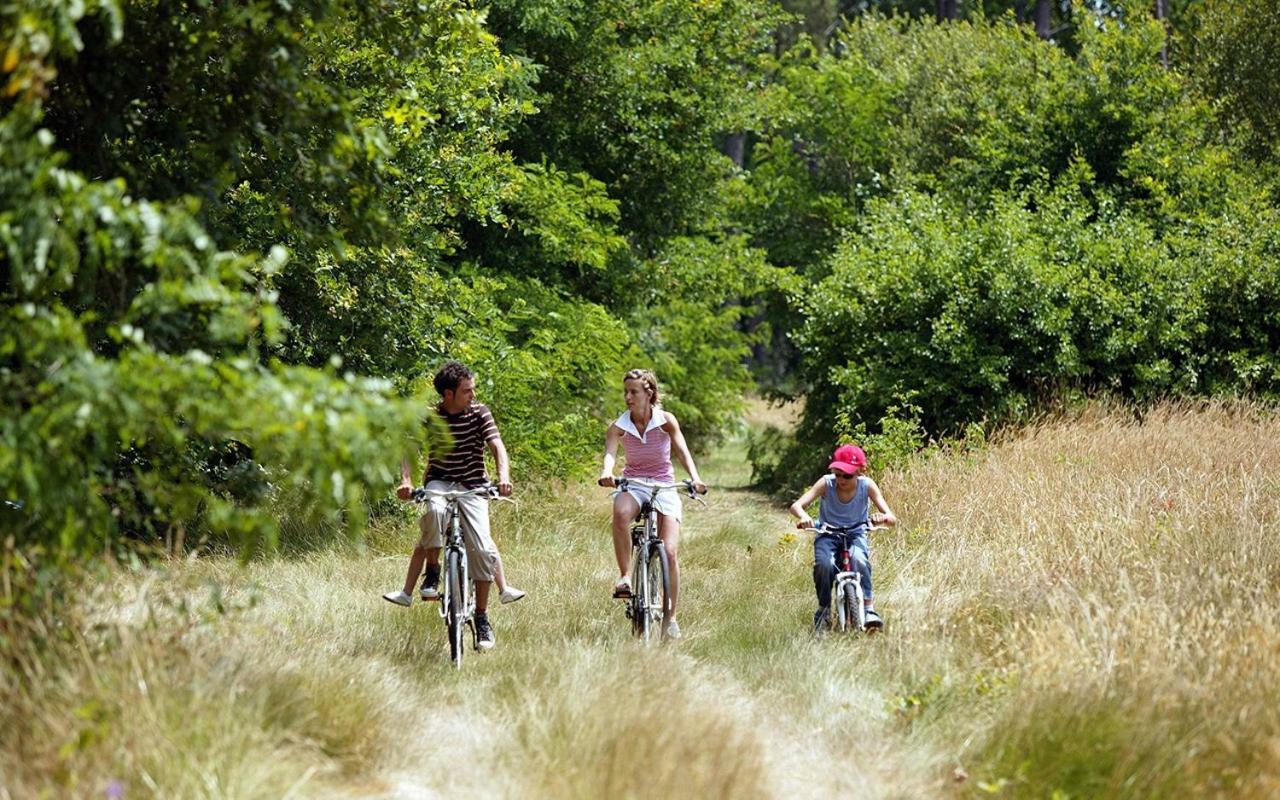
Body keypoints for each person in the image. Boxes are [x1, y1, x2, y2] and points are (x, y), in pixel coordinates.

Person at [382, 361, 525, 651]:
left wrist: (504, 477)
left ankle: (482, 618)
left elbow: (497, 445)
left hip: (474, 486)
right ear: (448, 394)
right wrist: (406, 481)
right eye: (466, 391)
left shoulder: (480, 412)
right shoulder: (431, 417)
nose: (473, 395)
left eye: (472, 390)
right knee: (433, 511)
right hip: (440, 482)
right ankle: (433, 571)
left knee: (483, 549)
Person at [597, 369, 707, 640]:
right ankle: (624, 576)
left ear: (649, 394)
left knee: (669, 551)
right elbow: (610, 452)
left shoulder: (666, 421)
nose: (628, 397)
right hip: (634, 483)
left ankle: (671, 618)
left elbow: (681, 450)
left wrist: (695, 478)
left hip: (664, 485)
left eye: (633, 392)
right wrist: (606, 472)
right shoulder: (619, 425)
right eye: (626, 392)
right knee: (621, 512)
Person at [789, 444, 897, 633]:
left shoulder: (867, 485)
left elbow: (891, 517)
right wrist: (805, 517)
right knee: (825, 564)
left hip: (856, 533)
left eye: (847, 475)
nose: (841, 479)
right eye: (837, 473)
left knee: (859, 559)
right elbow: (796, 505)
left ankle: (869, 609)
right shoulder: (827, 483)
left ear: (860, 472)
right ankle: (823, 611)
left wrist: (883, 517)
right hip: (827, 533)